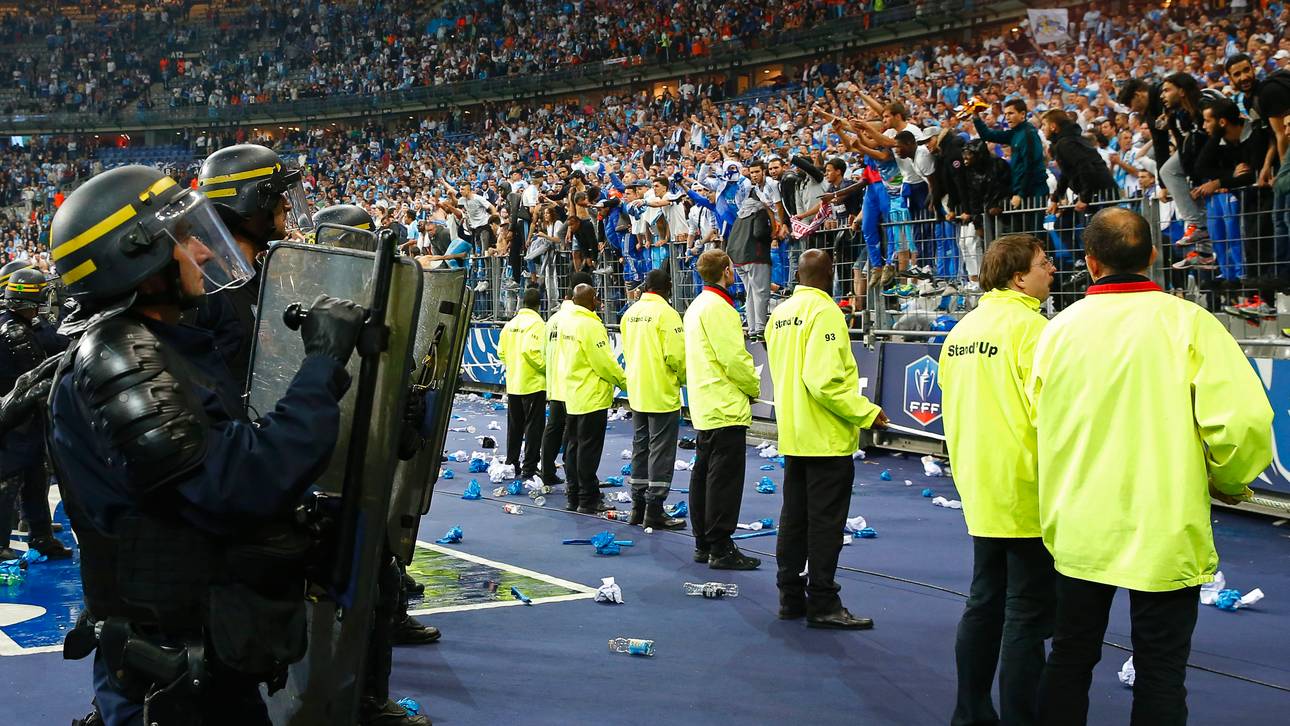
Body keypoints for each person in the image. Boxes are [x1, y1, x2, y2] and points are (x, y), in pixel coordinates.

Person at [45, 164, 364, 724]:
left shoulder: (156, 343)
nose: (205, 251)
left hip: (200, 648)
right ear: (139, 259)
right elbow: (240, 484)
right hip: (168, 668)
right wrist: (321, 368)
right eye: (184, 240)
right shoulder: (125, 359)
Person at [1028, 208, 1274, 725]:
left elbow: (1038, 420)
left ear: (1090, 262)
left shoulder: (1057, 331)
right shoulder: (1187, 322)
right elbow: (1245, 419)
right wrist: (1230, 478)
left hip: (1079, 521)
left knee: (1070, 655)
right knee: (1161, 669)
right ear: (1154, 255)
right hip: (1163, 522)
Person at [939, 235, 1057, 726]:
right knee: (1026, 614)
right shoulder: (1034, 331)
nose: (1052, 269)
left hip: (979, 484)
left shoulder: (961, 331)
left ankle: (969, 711)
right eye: (1043, 263)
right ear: (1018, 276)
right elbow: (1051, 413)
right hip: (1026, 488)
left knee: (984, 601)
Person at [765, 249, 887, 628]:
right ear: (829, 274)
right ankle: (822, 601)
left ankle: (789, 595)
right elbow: (824, 381)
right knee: (825, 524)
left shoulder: (779, 314)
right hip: (825, 436)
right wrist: (867, 412)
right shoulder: (825, 312)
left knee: (794, 518)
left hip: (794, 432)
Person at [196, 143, 311, 383]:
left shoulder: (256, 276)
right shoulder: (209, 289)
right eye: (278, 196)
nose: (287, 205)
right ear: (253, 202)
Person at [683, 249, 763, 569]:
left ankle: (704, 541)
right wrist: (753, 388)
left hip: (704, 401)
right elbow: (734, 359)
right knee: (723, 479)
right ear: (727, 271)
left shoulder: (695, 307)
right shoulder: (721, 308)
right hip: (724, 403)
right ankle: (721, 547)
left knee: (703, 474)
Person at [0, 265, 72, 560]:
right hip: (16, 417)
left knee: (35, 475)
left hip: (22, 416)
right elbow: (34, 378)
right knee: (11, 479)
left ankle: (41, 536)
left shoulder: (18, 326)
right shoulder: (16, 332)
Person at [620, 269, 686, 530]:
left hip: (637, 390)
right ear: (668, 286)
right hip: (660, 390)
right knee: (661, 450)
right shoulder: (667, 314)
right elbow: (677, 356)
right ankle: (655, 509)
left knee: (641, 446)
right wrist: (684, 378)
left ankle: (637, 507)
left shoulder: (630, 314)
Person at [558, 282, 627, 513]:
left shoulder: (566, 322)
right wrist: (626, 382)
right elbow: (604, 363)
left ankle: (574, 494)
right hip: (591, 395)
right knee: (588, 449)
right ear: (590, 300)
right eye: (596, 297)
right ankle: (588, 498)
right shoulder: (589, 325)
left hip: (573, 393)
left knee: (574, 447)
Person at [539, 271, 594, 486]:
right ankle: (576, 480)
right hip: (573, 384)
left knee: (553, 427)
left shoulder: (553, 319)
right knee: (575, 436)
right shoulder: (579, 320)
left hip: (555, 381)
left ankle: (547, 469)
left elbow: (544, 352)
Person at [498, 287, 547, 481]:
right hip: (532, 382)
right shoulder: (537, 324)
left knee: (515, 425)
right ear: (539, 305)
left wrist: (513, 364)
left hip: (514, 381)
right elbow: (531, 351)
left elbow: (501, 352)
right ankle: (529, 467)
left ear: (522, 302)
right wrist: (547, 368)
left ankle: (512, 462)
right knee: (534, 427)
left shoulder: (511, 324)